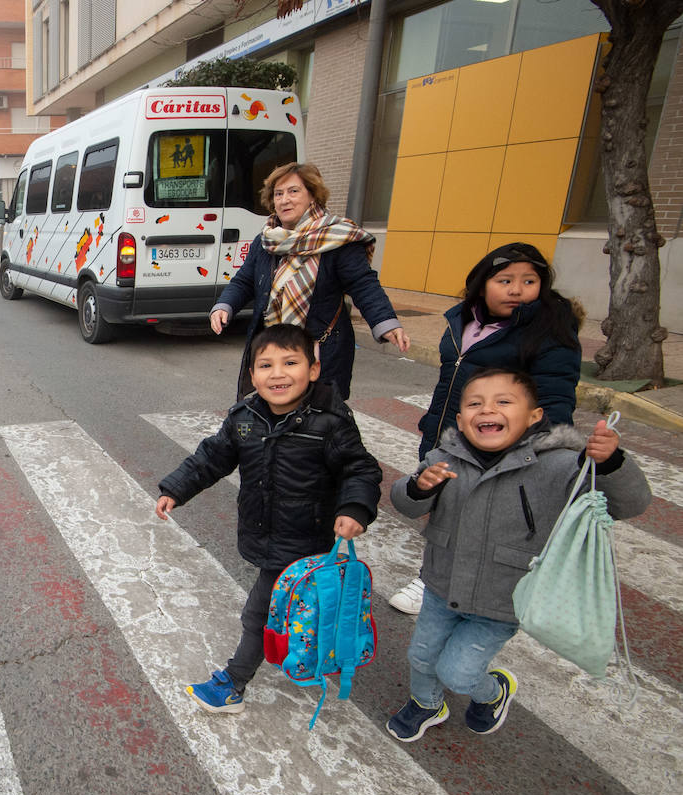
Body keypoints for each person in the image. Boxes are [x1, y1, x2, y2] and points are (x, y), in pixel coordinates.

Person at [385, 368, 650, 741]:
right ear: (461, 419)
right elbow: (405, 504)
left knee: (458, 672)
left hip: (502, 599)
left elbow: (629, 503)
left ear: (534, 416)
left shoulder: (558, 465)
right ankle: (427, 703)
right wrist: (416, 487)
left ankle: (493, 692)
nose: (487, 410)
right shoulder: (445, 457)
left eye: (503, 402)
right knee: (421, 655)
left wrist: (610, 464)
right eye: (475, 404)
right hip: (442, 584)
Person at [156, 323, 383, 712]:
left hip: (308, 537)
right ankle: (305, 650)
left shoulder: (330, 419)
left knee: (259, 615)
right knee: (293, 606)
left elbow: (359, 469)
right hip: (266, 530)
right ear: (252, 374)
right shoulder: (245, 416)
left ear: (313, 369)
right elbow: (212, 457)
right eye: (266, 365)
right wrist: (176, 488)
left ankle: (232, 684)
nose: (278, 373)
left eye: (290, 362)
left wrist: (354, 509)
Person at [389, 242, 583, 614]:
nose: (516, 289)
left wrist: (544, 452)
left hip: (496, 445)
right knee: (442, 504)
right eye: (505, 279)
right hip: (448, 435)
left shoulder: (548, 331)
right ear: (482, 284)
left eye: (529, 281)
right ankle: (437, 573)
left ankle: (445, 584)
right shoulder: (463, 320)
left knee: (477, 514)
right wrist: (434, 427)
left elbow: (556, 395)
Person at [210, 162, 410, 401]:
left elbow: (363, 284)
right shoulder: (266, 241)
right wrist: (225, 306)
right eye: (278, 193)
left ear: (313, 196)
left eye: (294, 191)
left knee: (317, 421)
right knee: (270, 415)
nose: (285, 200)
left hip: (319, 352)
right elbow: (244, 281)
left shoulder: (337, 239)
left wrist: (386, 322)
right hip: (273, 350)